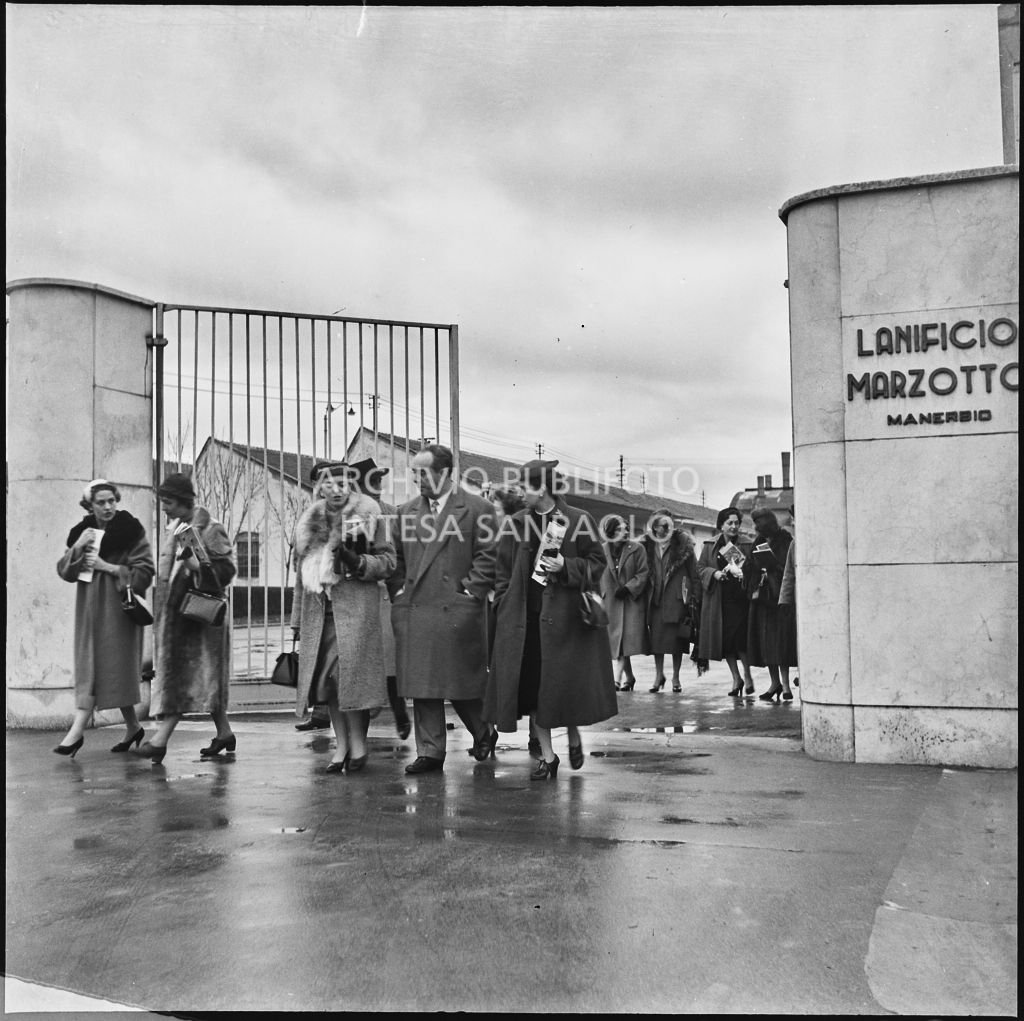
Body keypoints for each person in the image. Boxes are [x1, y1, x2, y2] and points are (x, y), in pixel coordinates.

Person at [484, 459, 617, 780]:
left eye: (524, 487)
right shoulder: (516, 523)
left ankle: (573, 733)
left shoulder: (577, 520)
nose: (520, 493)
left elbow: (597, 564)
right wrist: (502, 604)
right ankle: (548, 756)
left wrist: (566, 567)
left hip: (566, 624)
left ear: (542, 488)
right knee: (533, 691)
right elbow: (502, 571)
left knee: (562, 688)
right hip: (526, 622)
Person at [387, 443, 498, 774]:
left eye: (423, 473)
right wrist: (399, 592)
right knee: (423, 683)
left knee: (461, 680)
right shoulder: (406, 512)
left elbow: (489, 556)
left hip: (457, 608)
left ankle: (483, 730)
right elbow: (396, 559)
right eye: (414, 473)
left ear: (445, 473)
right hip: (417, 608)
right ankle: (430, 751)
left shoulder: (478, 509)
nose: (416, 479)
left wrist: (469, 592)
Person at [291, 461, 396, 774]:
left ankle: (358, 743)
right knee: (328, 683)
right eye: (329, 484)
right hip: (318, 613)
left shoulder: (370, 513)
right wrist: (297, 620)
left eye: (342, 484)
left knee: (350, 679)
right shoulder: (310, 519)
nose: (336, 490)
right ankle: (342, 745)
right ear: (320, 488)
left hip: (355, 612)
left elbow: (388, 561)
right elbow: (300, 575)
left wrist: (359, 561)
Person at [133, 473, 236, 764]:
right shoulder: (177, 529)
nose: (164, 507)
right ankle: (225, 733)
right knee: (205, 680)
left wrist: (197, 568)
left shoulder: (211, 529)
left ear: (183, 501)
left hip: (199, 622)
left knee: (182, 679)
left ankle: (160, 741)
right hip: (179, 619)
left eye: (168, 502)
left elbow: (226, 572)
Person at [53, 479, 155, 758]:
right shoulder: (82, 533)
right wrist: (78, 546)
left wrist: (108, 566)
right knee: (102, 669)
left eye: (112, 500)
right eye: (101, 502)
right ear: (90, 505)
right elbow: (65, 571)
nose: (108, 506)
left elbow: (145, 572)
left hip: (118, 613)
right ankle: (133, 727)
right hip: (88, 612)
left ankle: (75, 733)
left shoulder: (130, 531)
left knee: (105, 669)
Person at [346, 456, 411, 741]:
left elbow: (403, 553)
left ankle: (399, 711)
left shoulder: (391, 513)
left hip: (387, 592)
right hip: (357, 594)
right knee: (359, 659)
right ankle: (362, 725)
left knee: (389, 659)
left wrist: (401, 589)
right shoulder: (349, 514)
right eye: (372, 481)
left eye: (379, 480)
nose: (378, 486)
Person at [697, 507, 756, 697]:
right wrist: (714, 573)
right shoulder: (711, 544)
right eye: (729, 523)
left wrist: (743, 570)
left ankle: (747, 676)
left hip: (741, 599)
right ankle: (736, 678)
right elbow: (700, 568)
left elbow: (753, 569)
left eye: (736, 523)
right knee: (727, 642)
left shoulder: (746, 543)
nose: (733, 526)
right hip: (720, 600)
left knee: (741, 640)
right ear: (721, 525)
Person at [640, 509, 700, 693]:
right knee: (657, 642)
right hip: (655, 599)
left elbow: (694, 573)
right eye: (662, 525)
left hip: (677, 599)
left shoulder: (683, 545)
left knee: (676, 642)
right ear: (654, 527)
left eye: (669, 524)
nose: (666, 528)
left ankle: (676, 677)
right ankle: (659, 676)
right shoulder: (646, 545)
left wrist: (695, 597)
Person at [746, 508, 797, 701]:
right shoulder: (758, 542)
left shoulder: (785, 540)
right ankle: (774, 683)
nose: (755, 528)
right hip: (762, 601)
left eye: (757, 524)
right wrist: (756, 570)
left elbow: (789, 568)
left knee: (781, 643)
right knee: (767, 644)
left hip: (779, 601)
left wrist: (772, 569)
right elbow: (749, 566)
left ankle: (785, 684)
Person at [600, 514, 649, 692]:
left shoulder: (637, 549)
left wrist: (629, 588)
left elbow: (643, 573)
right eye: (620, 529)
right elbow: (595, 572)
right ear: (611, 532)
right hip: (610, 603)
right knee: (619, 643)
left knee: (623, 642)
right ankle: (630, 677)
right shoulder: (602, 549)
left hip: (630, 602)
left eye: (626, 528)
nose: (626, 532)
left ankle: (616, 679)